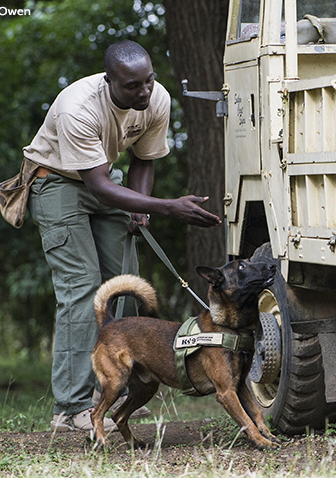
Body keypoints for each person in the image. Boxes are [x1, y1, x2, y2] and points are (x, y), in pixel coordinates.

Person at [24, 40, 221, 432]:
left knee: (125, 284)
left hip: (106, 183)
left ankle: (114, 388)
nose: (144, 92)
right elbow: (97, 184)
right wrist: (166, 207)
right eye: (133, 87)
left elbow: (144, 159)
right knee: (83, 288)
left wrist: (141, 205)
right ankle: (70, 407)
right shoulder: (78, 107)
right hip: (57, 183)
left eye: (148, 81)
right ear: (109, 80)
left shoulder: (157, 99)